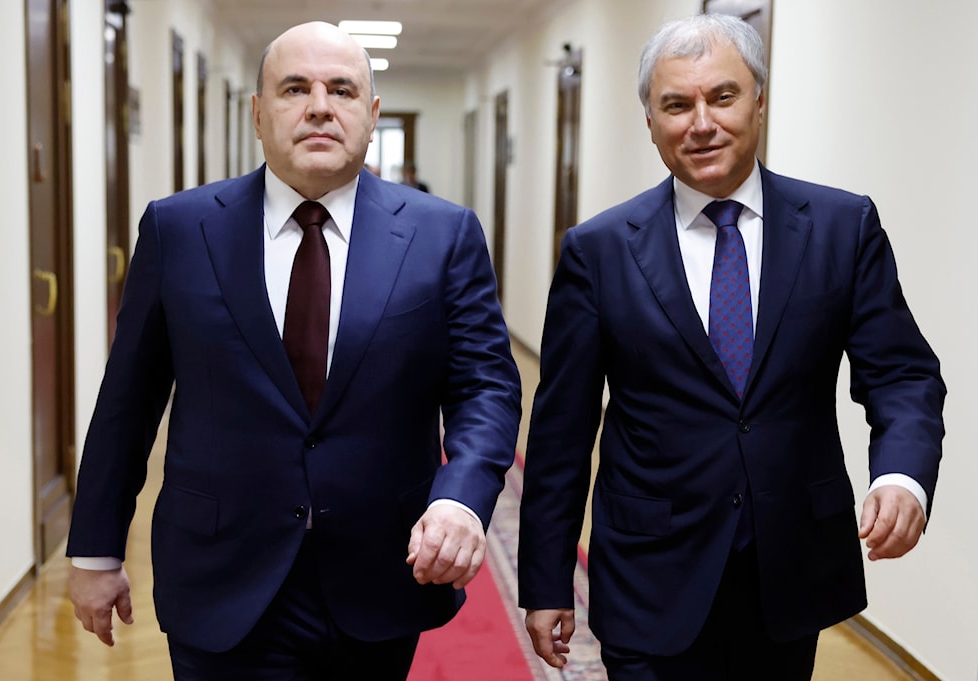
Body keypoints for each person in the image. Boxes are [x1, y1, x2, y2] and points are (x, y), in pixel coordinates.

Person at [66, 21, 521, 681]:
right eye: (294, 88)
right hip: (222, 574)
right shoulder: (181, 229)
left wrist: (460, 497)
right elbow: (128, 399)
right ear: (257, 113)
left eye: (340, 89)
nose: (317, 105)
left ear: (370, 116)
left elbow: (486, 387)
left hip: (380, 572)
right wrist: (96, 552)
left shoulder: (442, 234)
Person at [517, 13, 944, 681]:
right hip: (648, 571)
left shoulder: (841, 226)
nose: (702, 122)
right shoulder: (599, 251)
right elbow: (562, 429)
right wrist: (544, 580)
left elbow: (902, 374)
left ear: (760, 100)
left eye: (722, 96)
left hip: (791, 566)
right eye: (676, 104)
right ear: (651, 121)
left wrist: (902, 474)